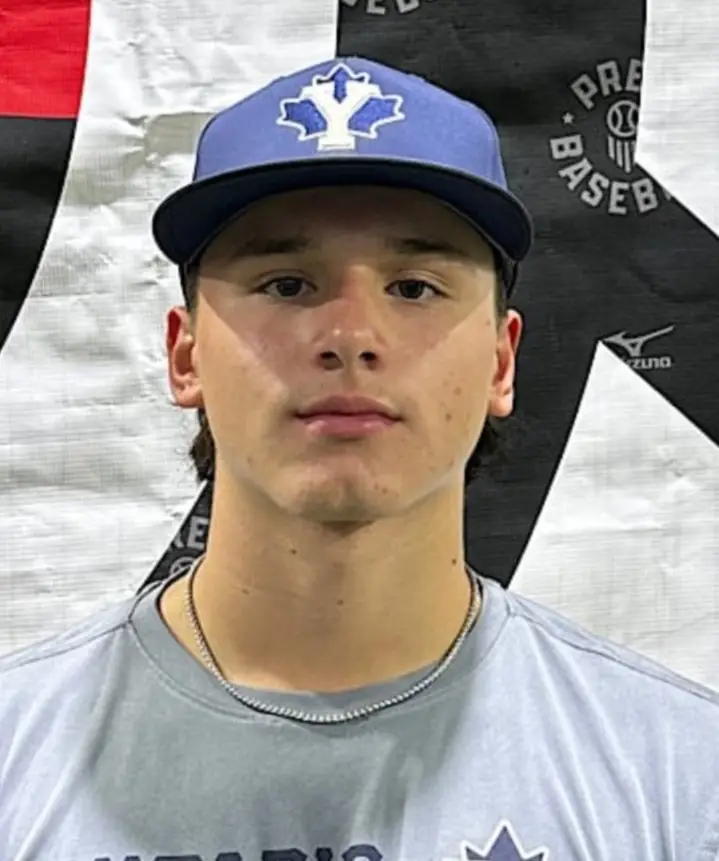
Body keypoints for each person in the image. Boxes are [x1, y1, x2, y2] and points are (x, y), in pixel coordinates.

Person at [0, 56, 717, 861]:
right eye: (285, 284)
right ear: (186, 354)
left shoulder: (681, 779)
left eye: (413, 287)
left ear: (500, 360)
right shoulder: (17, 757)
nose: (348, 336)